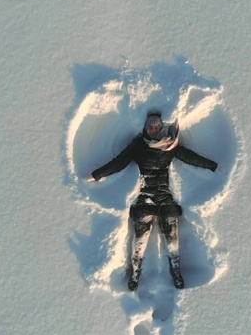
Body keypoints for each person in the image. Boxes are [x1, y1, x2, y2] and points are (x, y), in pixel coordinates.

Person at [91, 111, 218, 291]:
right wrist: (99, 174)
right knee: (140, 238)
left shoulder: (169, 145)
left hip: (165, 197)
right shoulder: (138, 146)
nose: (153, 130)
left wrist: (211, 165)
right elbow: (119, 162)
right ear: (145, 128)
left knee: (172, 235)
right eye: (150, 127)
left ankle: (176, 271)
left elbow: (190, 157)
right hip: (145, 198)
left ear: (161, 127)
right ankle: (135, 273)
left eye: (157, 127)